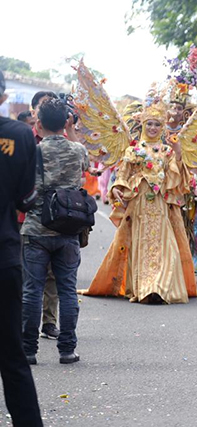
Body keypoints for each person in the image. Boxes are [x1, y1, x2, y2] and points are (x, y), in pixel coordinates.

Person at [79, 101, 197, 304]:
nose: (152, 128)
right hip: (139, 203)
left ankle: (159, 286)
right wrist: (117, 187)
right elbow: (123, 174)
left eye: (157, 124)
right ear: (143, 125)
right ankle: (144, 287)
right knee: (140, 243)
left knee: (164, 244)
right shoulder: (133, 150)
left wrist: (178, 150)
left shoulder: (167, 151)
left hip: (160, 204)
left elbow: (177, 175)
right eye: (149, 123)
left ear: (162, 127)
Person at [21, 98, 88, 365]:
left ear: (38, 123)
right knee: (68, 290)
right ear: (65, 122)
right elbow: (86, 164)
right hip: (69, 228)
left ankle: (28, 350)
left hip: (36, 228)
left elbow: (25, 187)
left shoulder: (33, 152)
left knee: (32, 290)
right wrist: (71, 130)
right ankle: (67, 350)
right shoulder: (78, 150)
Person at [0, 70, 44, 426]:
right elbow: (27, 199)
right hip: (3, 258)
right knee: (12, 356)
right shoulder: (18, 135)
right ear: (3, 97)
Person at [29, 92, 61, 341]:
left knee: (52, 277)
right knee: (28, 278)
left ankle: (49, 322)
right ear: (34, 113)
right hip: (27, 220)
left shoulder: (66, 144)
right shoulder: (25, 140)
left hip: (59, 221)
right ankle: (23, 327)